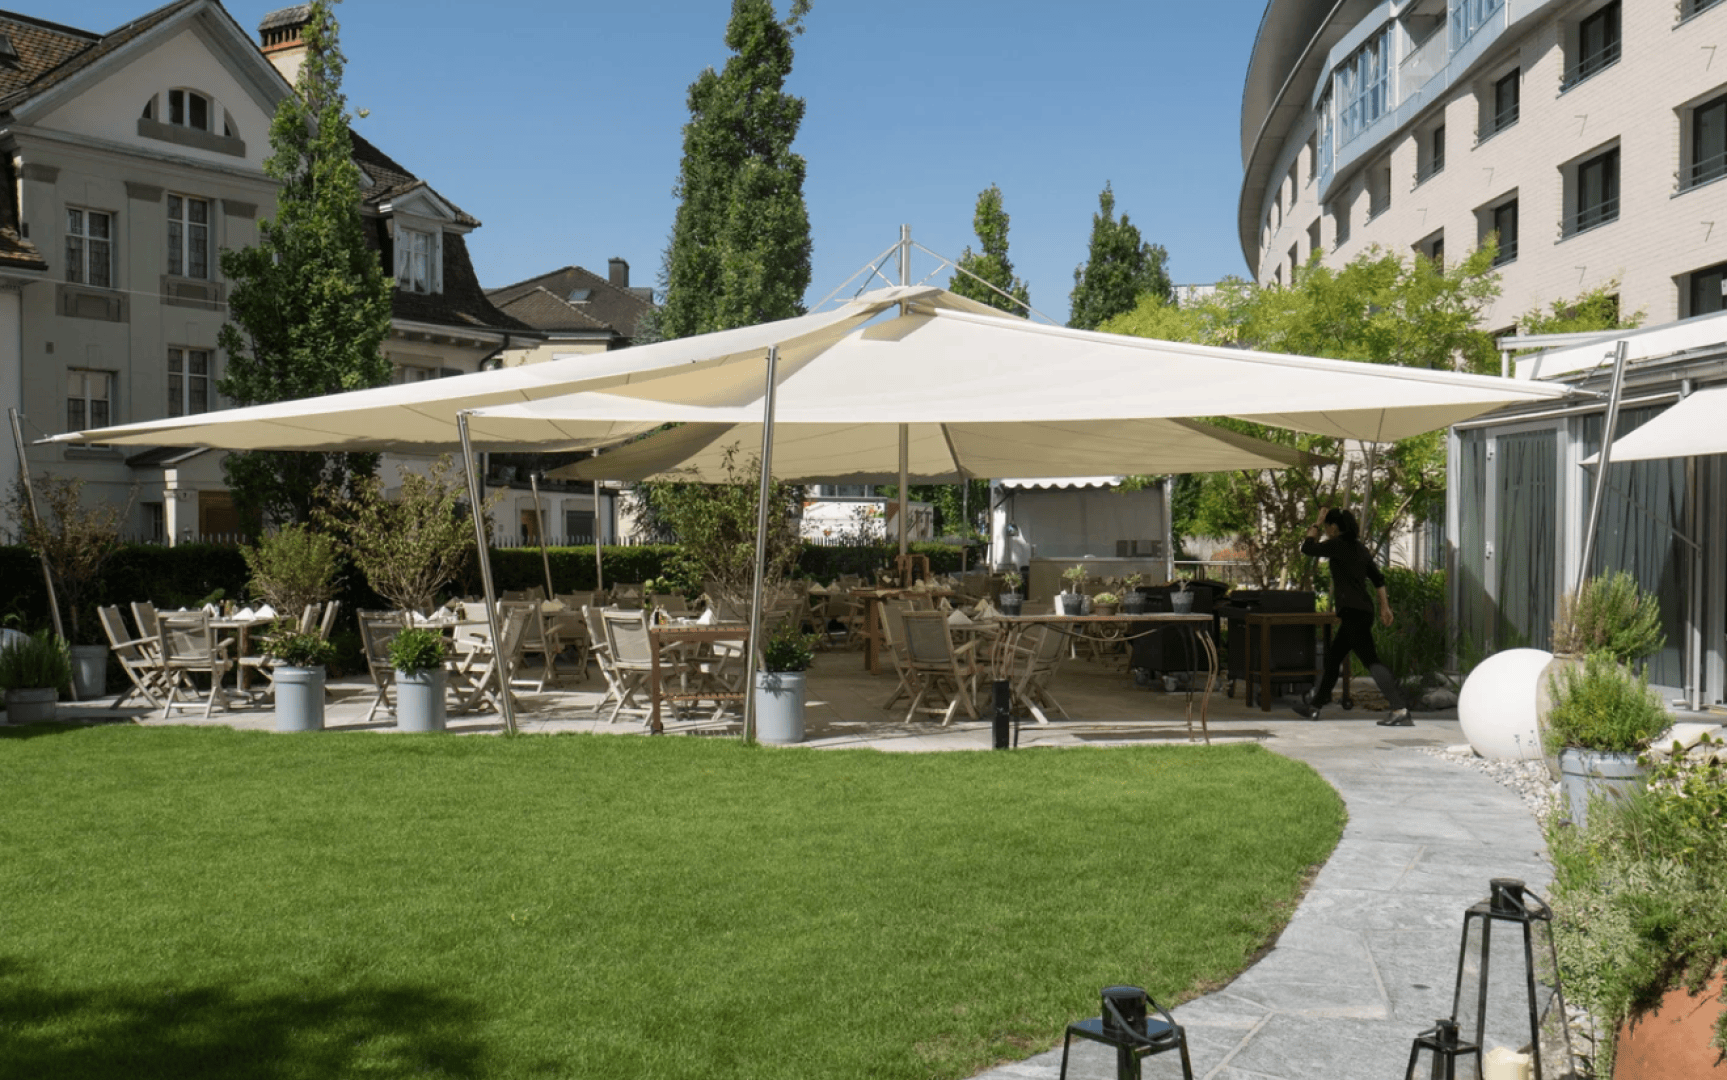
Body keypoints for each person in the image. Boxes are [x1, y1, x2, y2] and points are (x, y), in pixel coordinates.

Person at [1291, 505, 1413, 726]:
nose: (1326, 530)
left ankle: (1399, 708)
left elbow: (1307, 548)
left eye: (1328, 526)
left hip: (1353, 614)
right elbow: (1378, 579)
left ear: (1334, 527)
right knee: (1334, 658)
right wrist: (1385, 607)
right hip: (1362, 612)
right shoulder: (1360, 549)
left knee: (1370, 660)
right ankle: (1315, 707)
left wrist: (1316, 522)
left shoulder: (1337, 546)